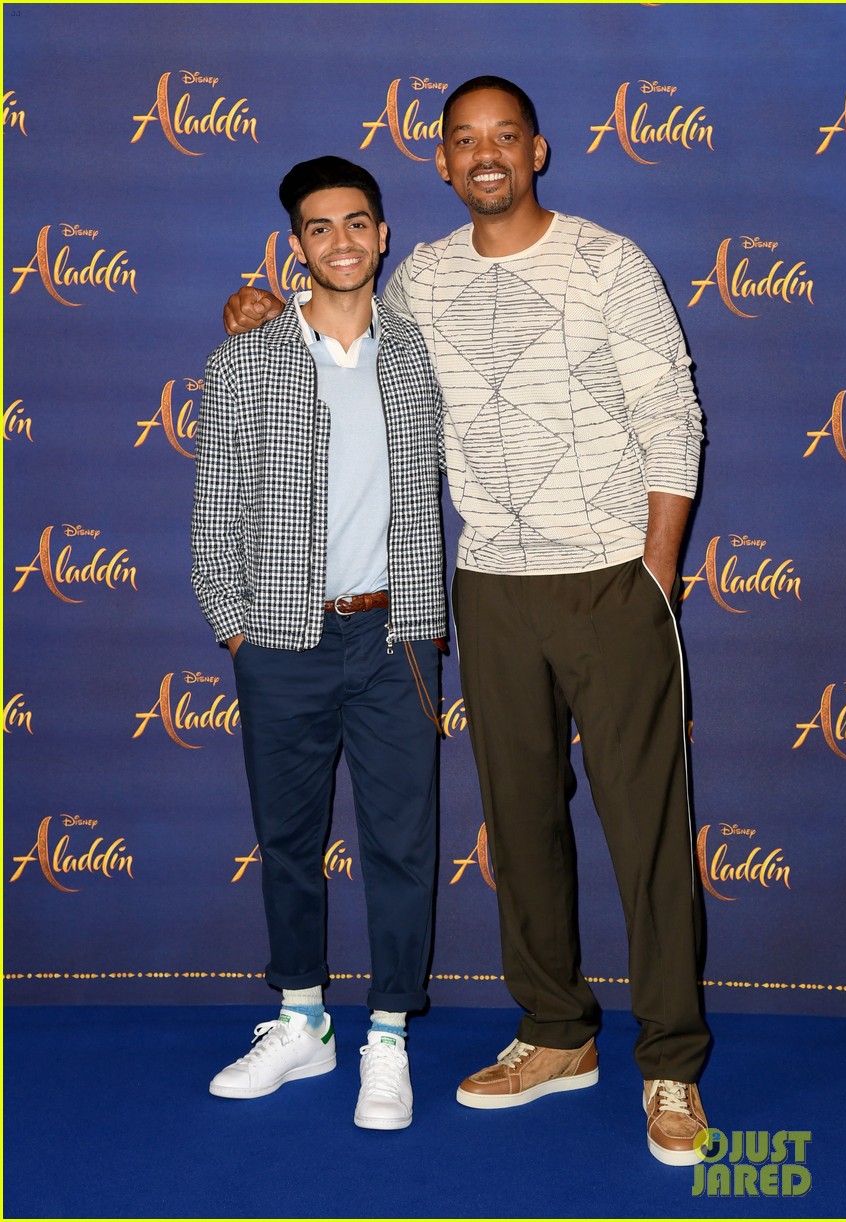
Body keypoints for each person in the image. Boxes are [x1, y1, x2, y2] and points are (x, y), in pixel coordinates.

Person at [223, 77, 711, 1167]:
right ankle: (553, 1033)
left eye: (503, 138)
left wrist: (656, 572)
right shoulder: (424, 283)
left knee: (646, 833)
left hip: (612, 581)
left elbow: (670, 409)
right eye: (463, 142)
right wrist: (251, 312)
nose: (484, 156)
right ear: (440, 164)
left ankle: (670, 1060)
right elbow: (336, 334)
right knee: (520, 822)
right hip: (484, 585)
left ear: (536, 149)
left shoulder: (607, 260)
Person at [193, 156, 447, 1131]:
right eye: (319, 227)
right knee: (289, 840)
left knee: (400, 842)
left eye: (357, 223)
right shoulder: (244, 360)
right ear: (295, 246)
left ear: (383, 236)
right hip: (284, 639)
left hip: (397, 636)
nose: (340, 241)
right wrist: (237, 624)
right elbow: (214, 515)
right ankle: (301, 1020)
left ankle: (386, 1035)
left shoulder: (422, 352)